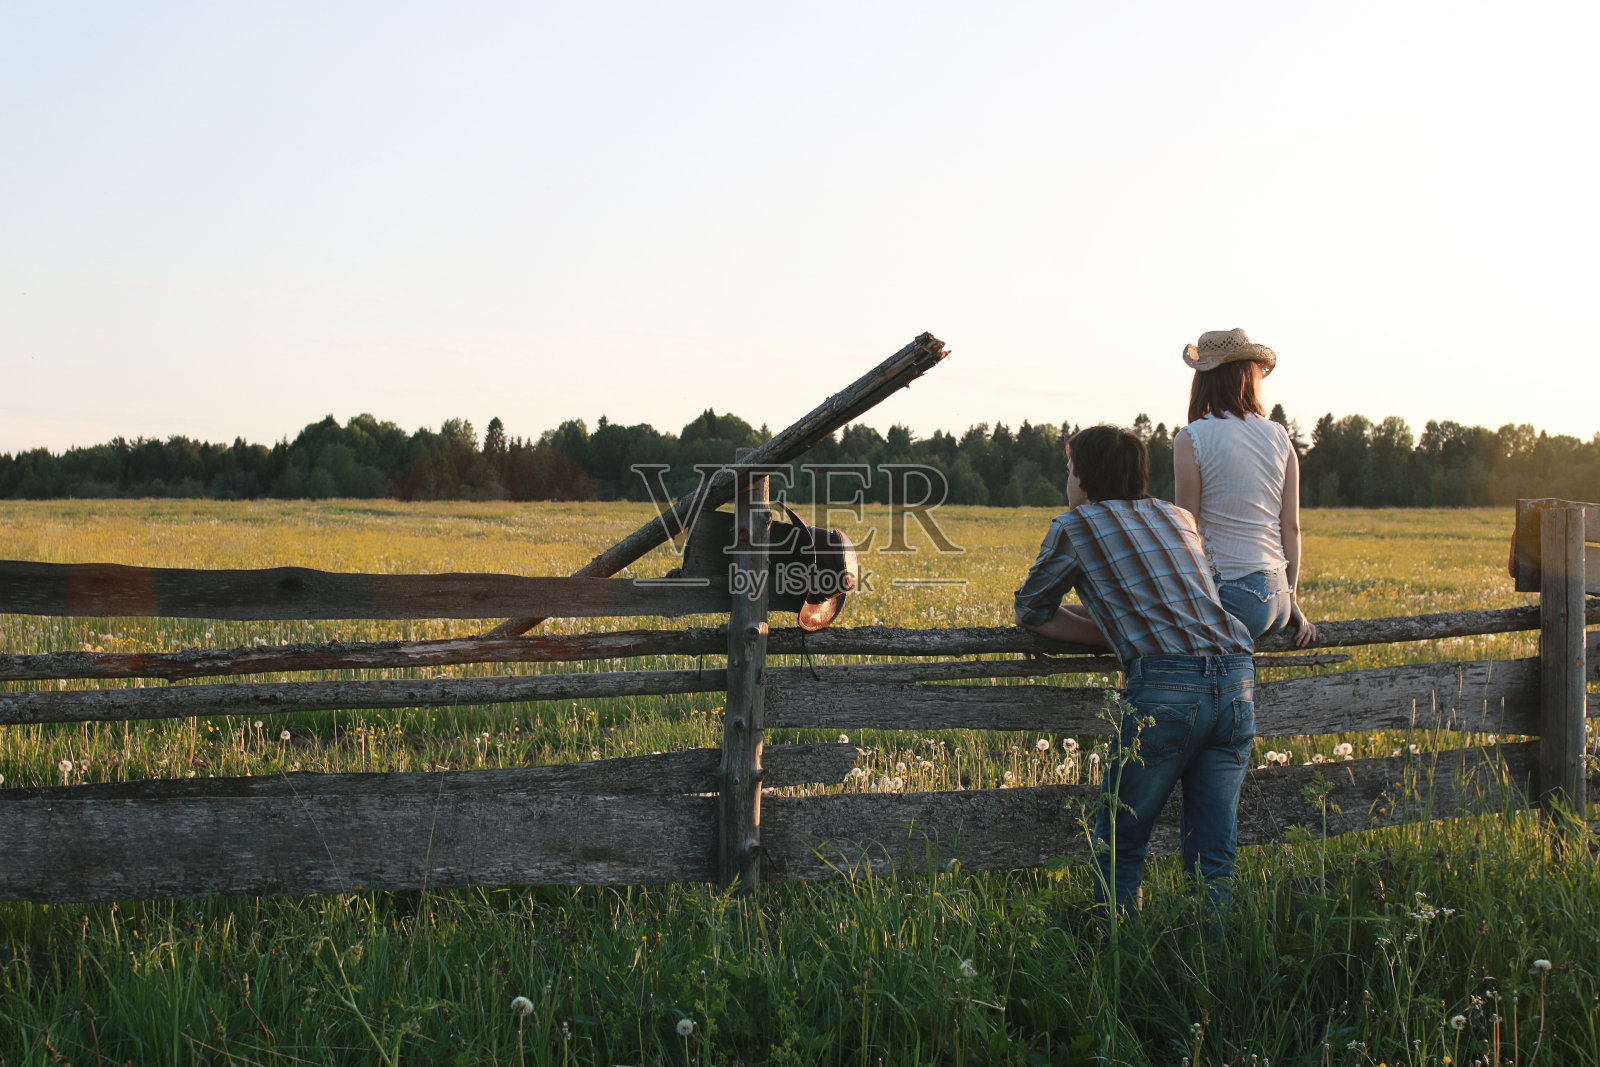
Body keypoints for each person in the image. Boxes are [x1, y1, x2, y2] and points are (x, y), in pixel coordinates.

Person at [1013, 425, 1255, 917]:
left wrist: (1118, 633)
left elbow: (1031, 611)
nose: (1068, 478)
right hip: (1235, 679)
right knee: (1213, 851)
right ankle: (1209, 965)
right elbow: (1182, 607)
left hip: (1167, 685)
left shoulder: (1075, 525)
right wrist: (1123, 627)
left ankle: (1117, 956)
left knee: (1121, 838)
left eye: (1069, 468)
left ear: (1084, 477)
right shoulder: (1178, 517)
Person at [1173, 328, 1316, 647]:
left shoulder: (1193, 437)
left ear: (1204, 380)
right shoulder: (1280, 436)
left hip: (1234, 593)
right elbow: (1291, 527)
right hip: (1278, 597)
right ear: (1249, 377)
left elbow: (1187, 529)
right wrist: (1291, 598)